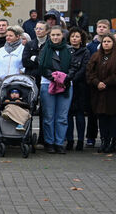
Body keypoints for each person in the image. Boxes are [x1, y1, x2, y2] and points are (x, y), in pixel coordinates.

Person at [37, 25, 72, 154]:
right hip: (48, 84)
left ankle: (59, 143)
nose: (55, 37)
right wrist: (54, 77)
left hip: (66, 85)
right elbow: (41, 66)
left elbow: (73, 66)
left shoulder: (69, 49)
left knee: (62, 117)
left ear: (62, 35)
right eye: (53, 35)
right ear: (49, 36)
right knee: (49, 116)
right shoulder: (44, 49)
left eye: (58, 35)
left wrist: (65, 78)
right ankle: (49, 142)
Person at [86, 33, 116, 152]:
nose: (106, 44)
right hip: (98, 93)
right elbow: (89, 72)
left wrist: (106, 82)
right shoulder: (96, 56)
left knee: (112, 119)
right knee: (102, 118)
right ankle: (104, 141)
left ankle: (112, 142)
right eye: (104, 42)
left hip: (112, 93)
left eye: (109, 42)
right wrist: (96, 82)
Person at [66, 27, 90, 151]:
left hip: (80, 86)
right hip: (67, 86)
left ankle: (80, 140)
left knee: (80, 114)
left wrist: (73, 79)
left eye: (77, 36)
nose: (74, 38)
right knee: (68, 114)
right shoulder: (66, 50)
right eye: (72, 36)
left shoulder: (85, 51)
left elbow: (85, 68)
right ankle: (69, 140)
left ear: (81, 39)